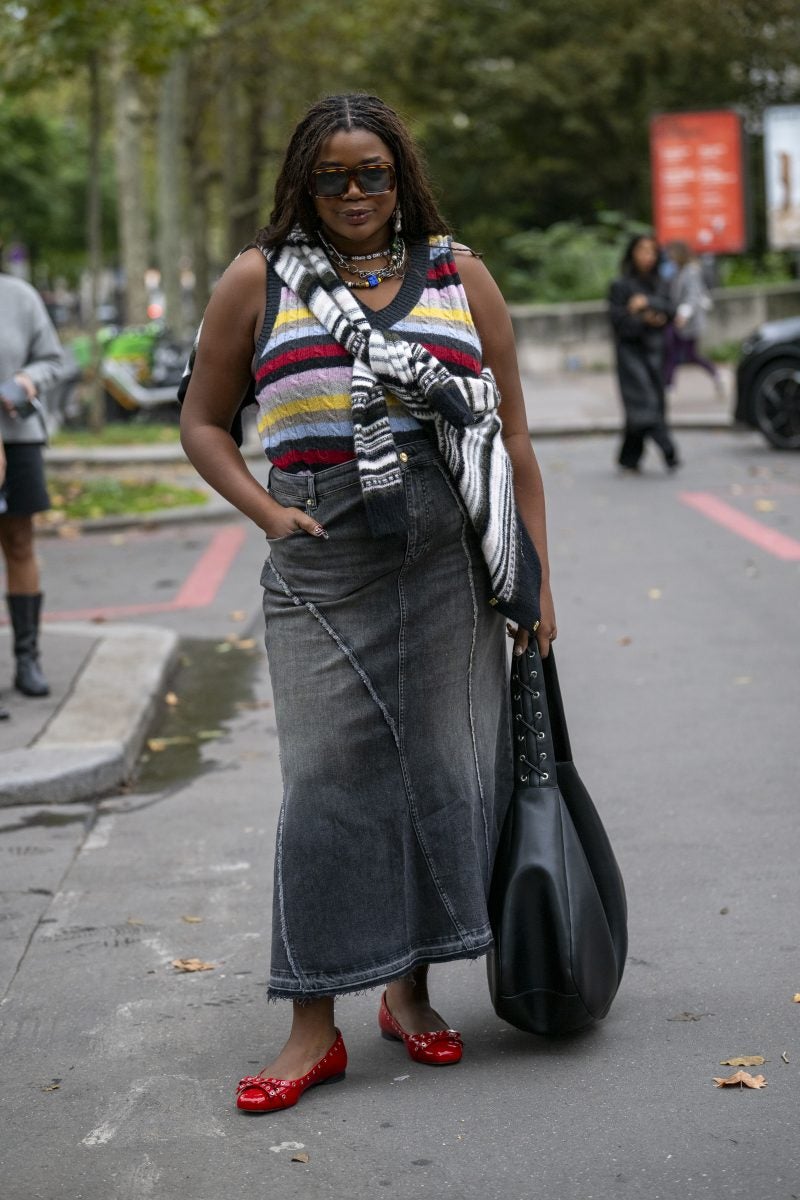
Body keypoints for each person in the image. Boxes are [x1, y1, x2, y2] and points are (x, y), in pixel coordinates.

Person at [180, 92, 557, 1114]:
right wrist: (267, 513)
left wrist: (532, 572)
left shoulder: (457, 273)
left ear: (402, 178)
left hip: (449, 562)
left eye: (372, 173)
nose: (354, 192)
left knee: (437, 773)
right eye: (333, 176)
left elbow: (512, 437)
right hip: (322, 560)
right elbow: (204, 420)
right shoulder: (258, 280)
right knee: (324, 786)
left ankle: (410, 993)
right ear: (304, 183)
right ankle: (312, 1025)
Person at [0, 254, 64, 699]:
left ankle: (27, 659)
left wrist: (26, 380)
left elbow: (52, 360)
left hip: (17, 437)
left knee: (20, 542)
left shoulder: (18, 297)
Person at [608, 234, 678, 472]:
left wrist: (646, 305)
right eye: (642, 250)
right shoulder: (620, 285)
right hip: (630, 354)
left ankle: (629, 458)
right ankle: (668, 449)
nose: (647, 256)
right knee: (643, 404)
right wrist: (642, 318)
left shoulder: (660, 284)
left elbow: (670, 310)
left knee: (651, 403)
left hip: (657, 353)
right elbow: (619, 322)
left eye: (651, 251)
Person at [662, 240, 723, 396]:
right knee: (671, 352)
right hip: (677, 321)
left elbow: (693, 296)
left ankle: (716, 374)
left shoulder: (691, 271)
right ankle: (668, 385)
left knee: (690, 355)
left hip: (689, 323)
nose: (670, 257)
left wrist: (683, 314)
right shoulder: (678, 271)